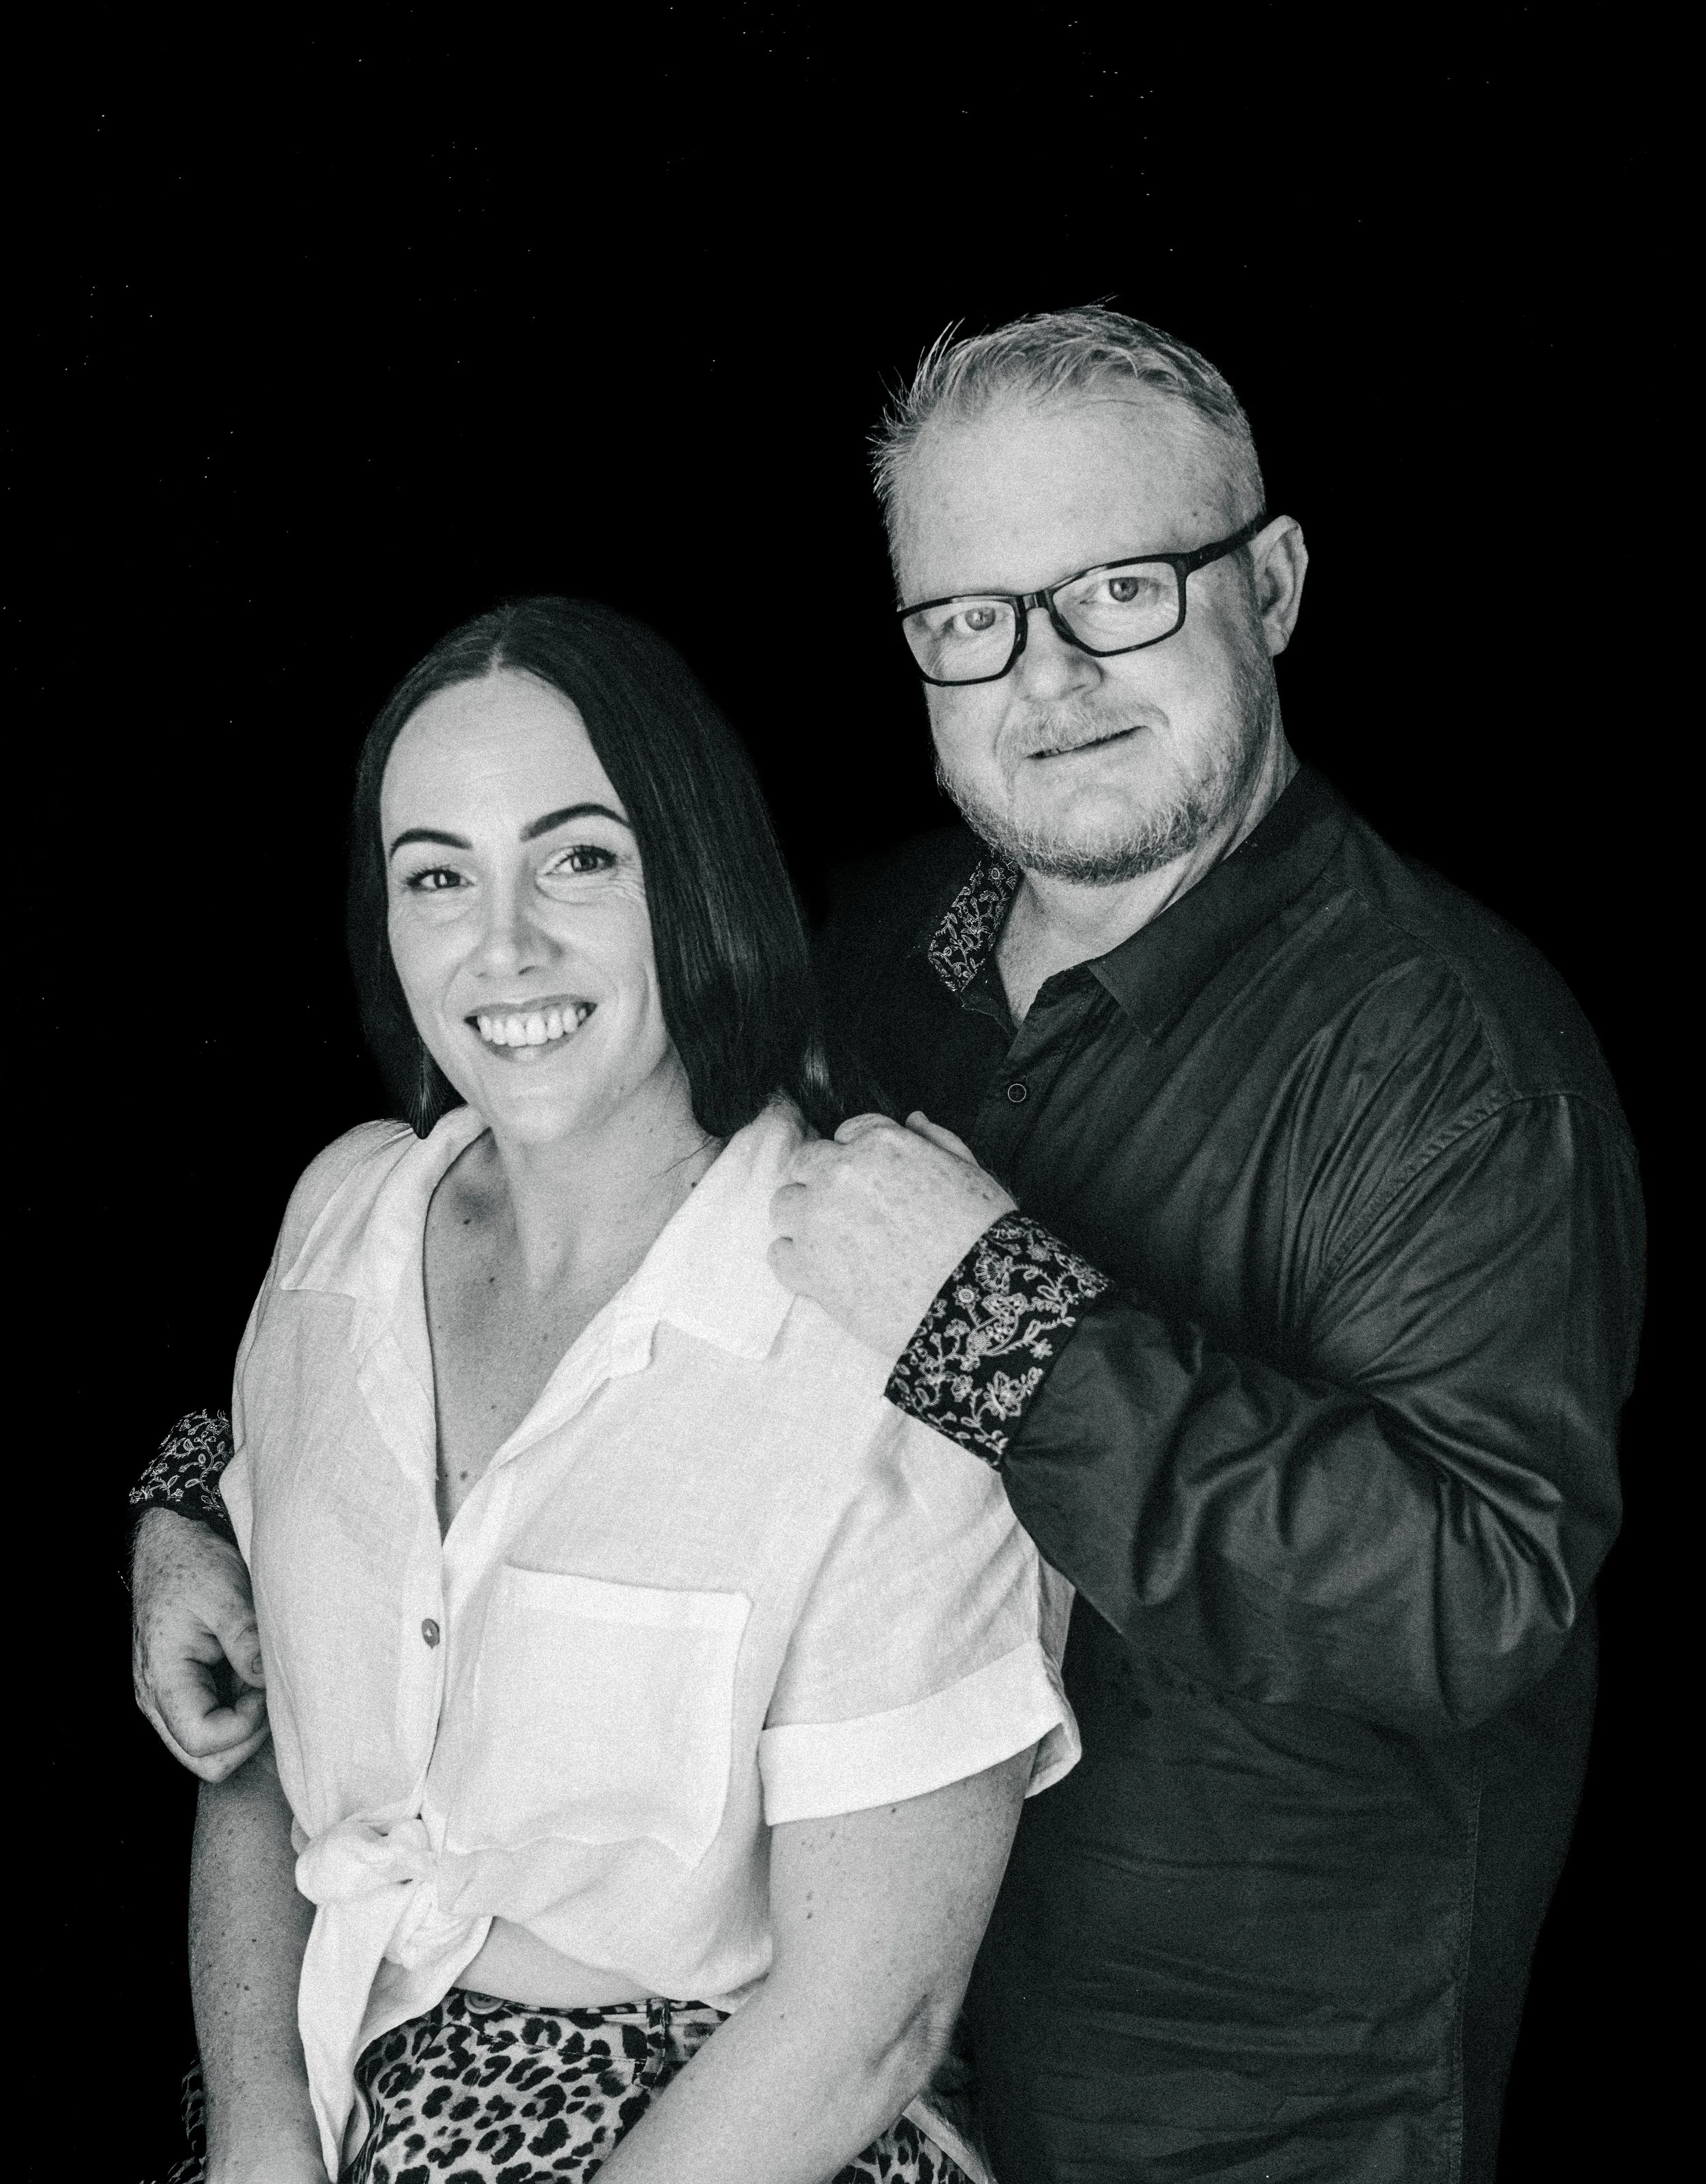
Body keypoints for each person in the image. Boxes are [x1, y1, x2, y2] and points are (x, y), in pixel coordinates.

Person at [132, 308, 1645, 2182]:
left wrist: (1002, 1328)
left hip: (1223, 2088)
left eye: (1117, 588)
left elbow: (1472, 1597)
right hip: (832, 2059)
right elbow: (554, 1270)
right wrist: (223, 1501)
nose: (1050, 674)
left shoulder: (1438, 1052)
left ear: (1269, 582)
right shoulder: (882, 953)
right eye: (971, 620)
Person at [140, 594, 1078, 2184]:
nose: (501, 944)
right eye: (437, 876)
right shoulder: (343, 1227)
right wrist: (259, 2130)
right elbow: (274, 1774)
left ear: (691, 881)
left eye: (578, 857)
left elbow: (869, 2017)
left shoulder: (869, 1326)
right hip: (324, 2090)